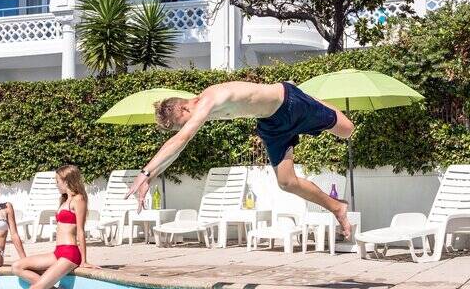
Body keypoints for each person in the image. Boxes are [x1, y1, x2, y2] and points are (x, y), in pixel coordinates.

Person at [126, 81, 355, 239]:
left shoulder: (209, 100)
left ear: (185, 108)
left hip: (291, 104)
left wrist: (144, 172)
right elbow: (178, 147)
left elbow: (182, 139)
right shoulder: (200, 110)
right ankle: (337, 208)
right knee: (286, 182)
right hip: (271, 123)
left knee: (347, 130)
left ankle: (312, 98)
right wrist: (152, 175)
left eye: (180, 123)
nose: (184, 127)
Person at [12, 164, 96, 289]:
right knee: (17, 266)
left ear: (66, 181)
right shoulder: (64, 201)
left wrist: (84, 260)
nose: (56, 185)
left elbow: (80, 230)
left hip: (70, 254)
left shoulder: (78, 199)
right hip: (58, 252)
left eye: (57, 181)